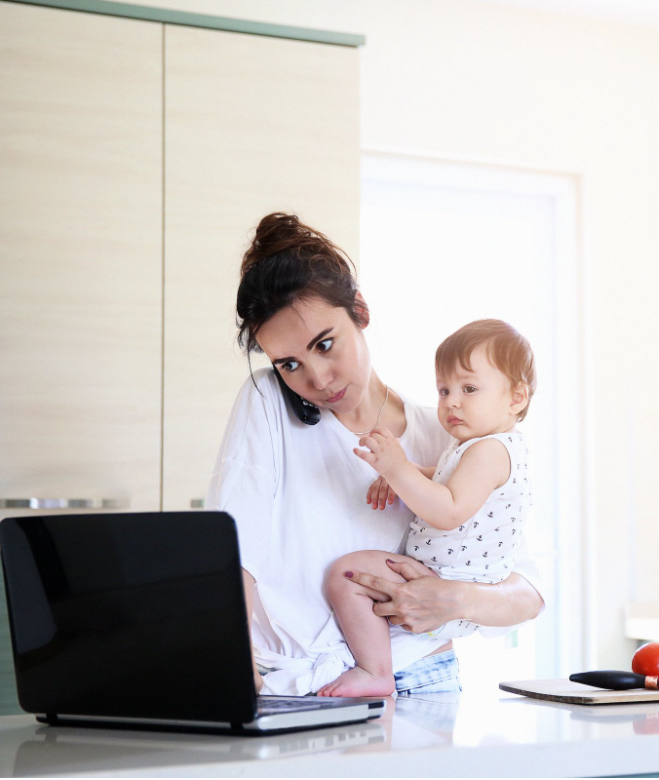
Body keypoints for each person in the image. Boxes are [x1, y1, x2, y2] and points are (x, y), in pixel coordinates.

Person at [206, 213, 545, 697]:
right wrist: (236, 668)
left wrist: (455, 599)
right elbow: (232, 551)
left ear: (360, 312)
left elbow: (528, 592)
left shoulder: (450, 432)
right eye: (289, 364)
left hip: (425, 677)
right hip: (303, 685)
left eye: (325, 344)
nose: (317, 379)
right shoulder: (267, 402)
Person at [317, 319, 537, 697]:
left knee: (346, 576)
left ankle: (375, 670)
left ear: (516, 397)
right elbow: (447, 478)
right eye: (444, 390)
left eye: (469, 389)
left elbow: (449, 509)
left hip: (448, 583)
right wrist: (411, 474)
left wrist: (397, 468)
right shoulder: (478, 448)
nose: (452, 401)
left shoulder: (490, 450)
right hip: (446, 581)